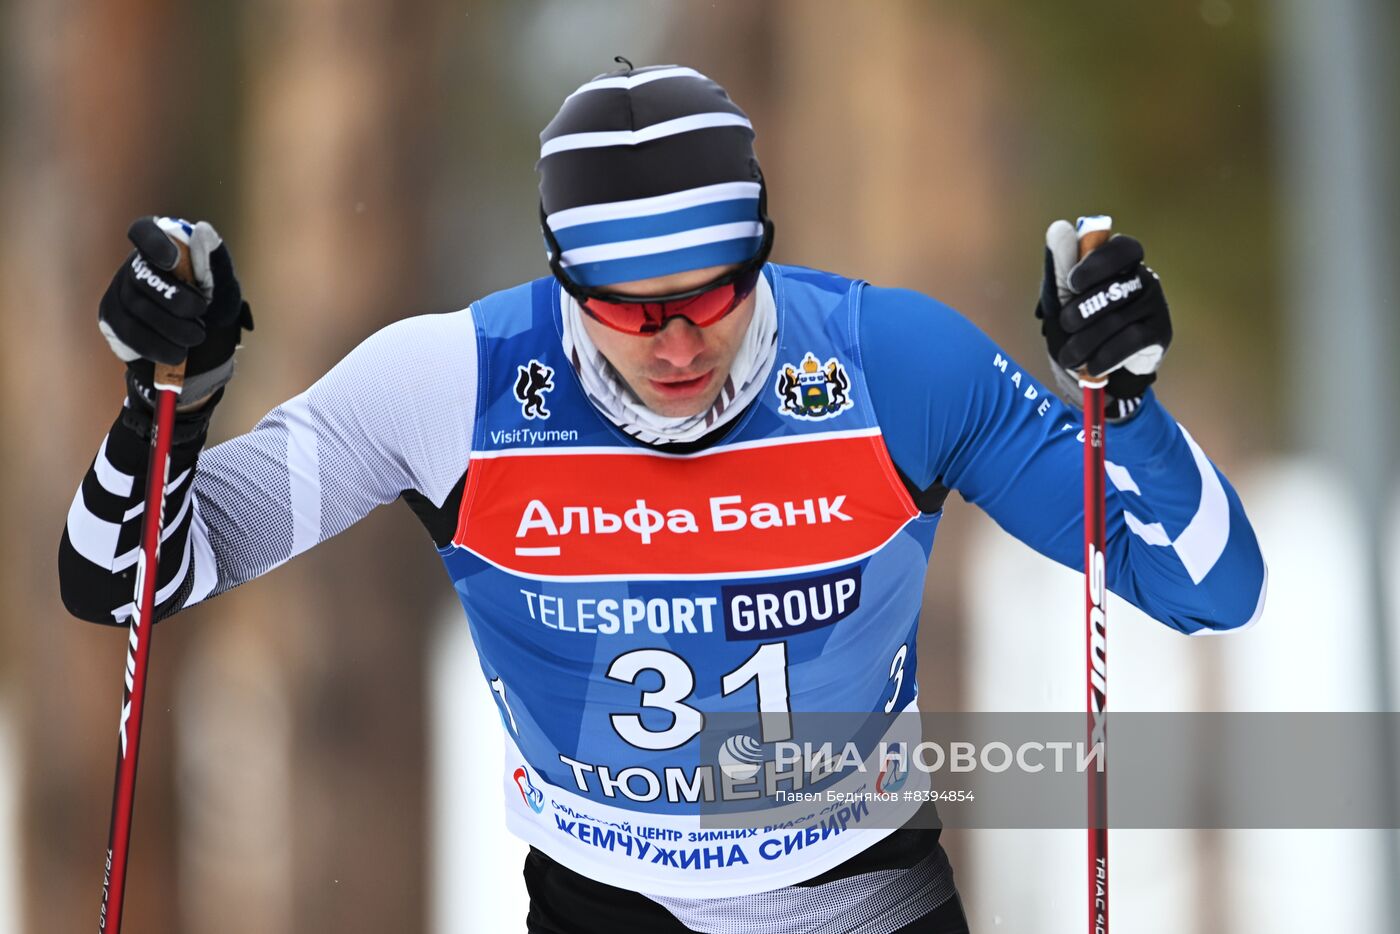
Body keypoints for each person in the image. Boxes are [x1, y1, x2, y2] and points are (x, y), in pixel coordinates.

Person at [59, 61, 1266, 933]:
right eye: (630, 308)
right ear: (561, 278)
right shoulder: (451, 381)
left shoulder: (892, 365)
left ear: (760, 254)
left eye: (711, 294)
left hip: (865, 896)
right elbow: (124, 579)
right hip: (604, 903)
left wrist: (1128, 408)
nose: (677, 342)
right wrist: (172, 403)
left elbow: (1207, 587)